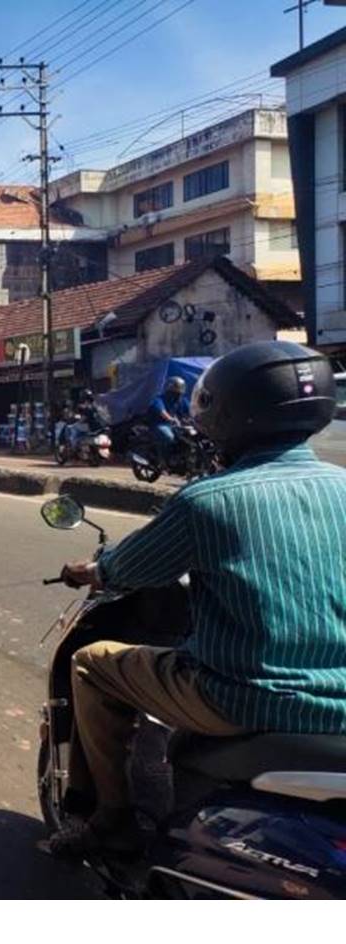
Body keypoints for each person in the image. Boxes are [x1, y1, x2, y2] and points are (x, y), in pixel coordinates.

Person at [52, 340, 346, 857]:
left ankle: (111, 820)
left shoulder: (208, 500)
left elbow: (127, 568)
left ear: (226, 414)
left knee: (90, 663)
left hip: (244, 697)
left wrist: (90, 572)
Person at [148, 375, 190, 461]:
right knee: (169, 437)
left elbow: (190, 410)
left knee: (187, 438)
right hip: (160, 424)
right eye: (176, 388)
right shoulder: (159, 399)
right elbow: (162, 411)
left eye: (180, 389)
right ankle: (164, 459)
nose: (178, 393)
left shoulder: (181, 400)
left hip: (174, 426)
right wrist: (170, 418)